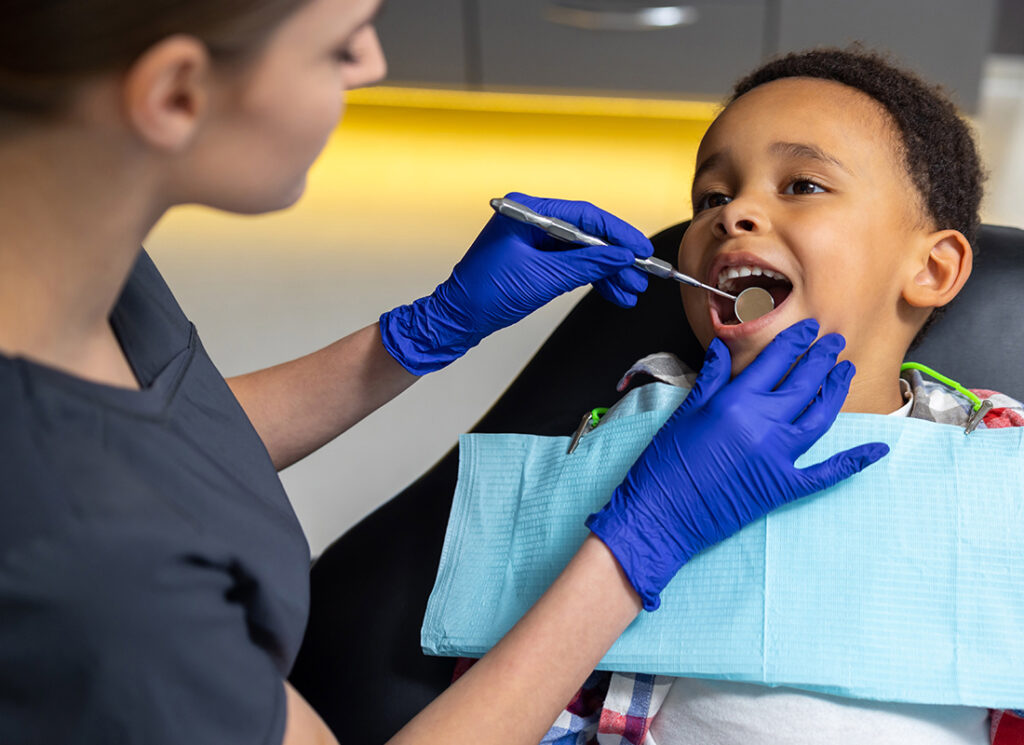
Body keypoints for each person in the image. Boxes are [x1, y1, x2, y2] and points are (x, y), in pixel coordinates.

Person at [0, 2, 885, 744]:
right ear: (176, 91)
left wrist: (419, 335)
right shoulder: (94, 588)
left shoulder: (56, 263)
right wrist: (635, 551)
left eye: (803, 186)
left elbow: (132, 435)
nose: (373, 59)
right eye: (339, 40)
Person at [532, 48, 1024, 745]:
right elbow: (512, 680)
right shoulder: (625, 434)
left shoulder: (1001, 463)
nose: (734, 215)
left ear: (931, 267)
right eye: (712, 197)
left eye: (802, 184)